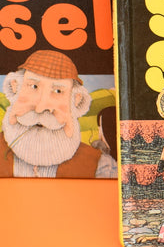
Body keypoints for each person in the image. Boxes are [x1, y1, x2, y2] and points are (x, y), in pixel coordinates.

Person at [1, 49, 116, 178]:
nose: (41, 108)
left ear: (76, 100)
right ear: (14, 87)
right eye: (34, 86)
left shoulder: (102, 166)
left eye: (58, 91)